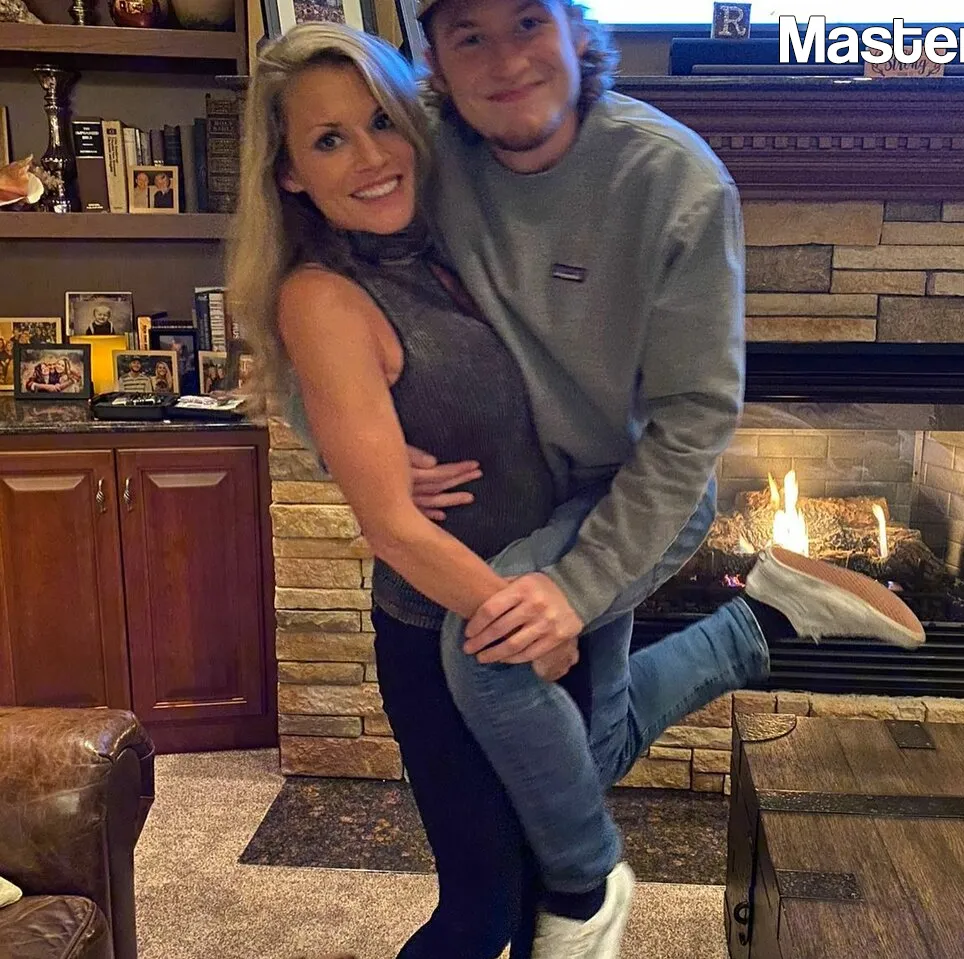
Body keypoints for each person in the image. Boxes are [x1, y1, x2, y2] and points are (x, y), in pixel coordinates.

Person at [228, 20, 924, 959]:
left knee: (547, 747)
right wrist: (348, 447)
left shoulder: (623, 184)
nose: (371, 155)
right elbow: (321, 382)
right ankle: (755, 631)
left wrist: (570, 593)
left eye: (381, 125)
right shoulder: (366, 237)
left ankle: (591, 876)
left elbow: (693, 420)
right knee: (510, 861)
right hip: (452, 589)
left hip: (606, 515)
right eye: (327, 141)